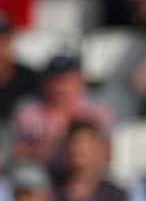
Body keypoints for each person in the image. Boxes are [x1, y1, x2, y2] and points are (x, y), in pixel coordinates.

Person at [11, 53, 113, 183]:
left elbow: (108, 153)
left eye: (67, 81)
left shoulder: (97, 111)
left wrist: (78, 151)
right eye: (55, 81)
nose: (60, 88)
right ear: (45, 83)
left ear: (80, 82)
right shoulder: (27, 110)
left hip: (86, 179)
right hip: (41, 179)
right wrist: (38, 151)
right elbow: (14, 153)